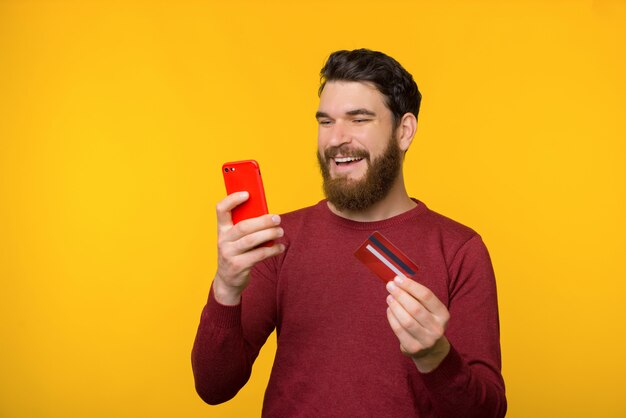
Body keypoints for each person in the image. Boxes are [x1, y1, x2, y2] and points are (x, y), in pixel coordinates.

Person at [192, 49, 507, 417]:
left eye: (358, 119)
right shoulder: (278, 239)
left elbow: (486, 412)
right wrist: (226, 288)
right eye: (326, 122)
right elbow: (214, 387)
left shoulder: (460, 250)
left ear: (404, 131)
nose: (336, 139)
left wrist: (435, 356)